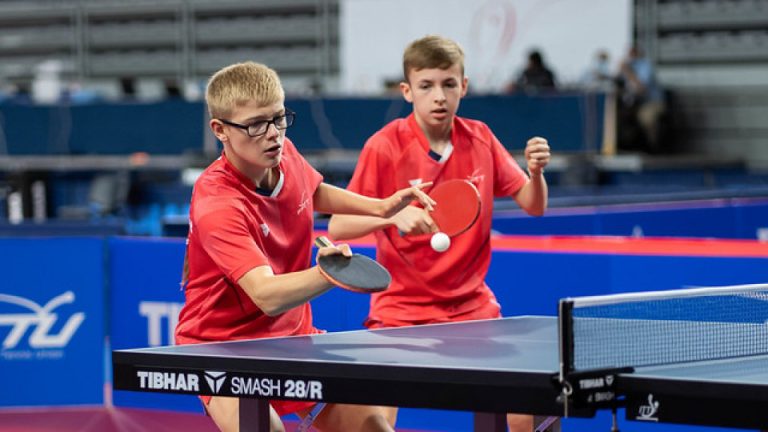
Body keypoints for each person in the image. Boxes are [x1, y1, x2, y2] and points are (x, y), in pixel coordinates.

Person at [174, 61, 436, 432]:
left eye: (278, 119)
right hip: (221, 346)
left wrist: (380, 206)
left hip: (293, 337)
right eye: (255, 125)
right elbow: (265, 294)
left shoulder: (283, 153)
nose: (272, 135)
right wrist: (328, 274)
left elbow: (310, 191)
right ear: (220, 130)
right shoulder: (217, 202)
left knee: (374, 429)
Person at [328, 35, 554, 432]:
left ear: (463, 87)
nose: (439, 97)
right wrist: (390, 217)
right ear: (407, 90)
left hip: (471, 307)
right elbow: (338, 226)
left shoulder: (481, 138)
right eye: (426, 85)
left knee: (531, 412)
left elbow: (534, 206)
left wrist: (536, 174)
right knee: (371, 422)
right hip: (400, 309)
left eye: (449, 84)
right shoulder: (384, 147)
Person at [617, 45, 666, 153]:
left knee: (646, 117)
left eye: (632, 53)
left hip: (652, 102)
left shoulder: (645, 66)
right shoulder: (629, 66)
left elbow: (641, 88)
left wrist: (627, 71)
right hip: (633, 103)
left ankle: (654, 148)